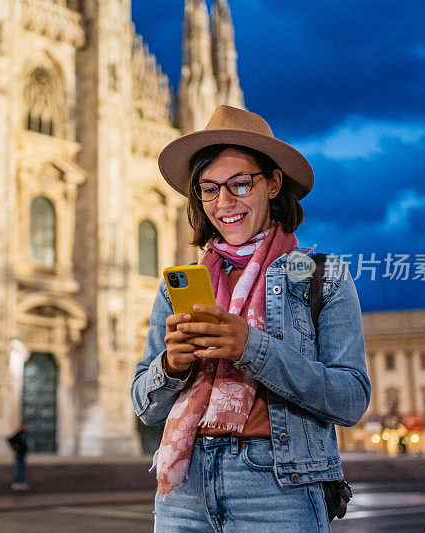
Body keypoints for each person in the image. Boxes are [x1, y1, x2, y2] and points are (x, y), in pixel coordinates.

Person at [131, 105, 371, 532]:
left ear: (274, 183)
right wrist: (171, 366)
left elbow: (351, 398)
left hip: (277, 488)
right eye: (208, 189)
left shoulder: (321, 276)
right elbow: (144, 406)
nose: (223, 203)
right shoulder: (180, 286)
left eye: (240, 185)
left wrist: (251, 348)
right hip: (183, 494)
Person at [7, 422, 30, 491]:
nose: (25, 427)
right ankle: (16, 483)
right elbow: (10, 440)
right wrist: (14, 447)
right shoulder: (18, 433)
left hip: (23, 454)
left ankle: (21, 483)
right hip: (19, 454)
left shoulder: (26, 433)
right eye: (24, 426)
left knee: (22, 469)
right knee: (17, 469)